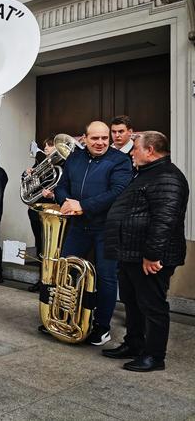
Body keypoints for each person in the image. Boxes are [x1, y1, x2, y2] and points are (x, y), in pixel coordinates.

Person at [103, 131, 189, 372]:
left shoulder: (168, 177)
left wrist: (152, 255)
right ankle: (134, 344)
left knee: (152, 306)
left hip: (149, 258)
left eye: (136, 149)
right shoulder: (146, 173)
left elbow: (164, 221)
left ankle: (154, 356)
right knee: (132, 302)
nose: (132, 153)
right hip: (131, 253)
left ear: (150, 150)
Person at [53, 121, 133, 346]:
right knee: (66, 270)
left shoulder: (120, 161)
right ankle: (65, 318)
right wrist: (65, 202)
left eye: (104, 138)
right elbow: (61, 186)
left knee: (107, 277)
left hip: (106, 228)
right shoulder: (74, 158)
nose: (100, 143)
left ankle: (102, 326)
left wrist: (83, 206)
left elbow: (117, 192)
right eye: (95, 138)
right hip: (78, 226)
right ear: (84, 138)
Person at [26, 138, 55, 292]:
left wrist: (53, 196)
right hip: (35, 211)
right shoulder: (39, 164)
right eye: (45, 146)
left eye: (49, 145)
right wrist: (27, 174)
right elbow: (27, 184)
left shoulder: (62, 165)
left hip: (51, 211)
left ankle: (51, 281)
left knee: (50, 248)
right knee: (40, 247)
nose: (46, 148)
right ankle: (41, 279)